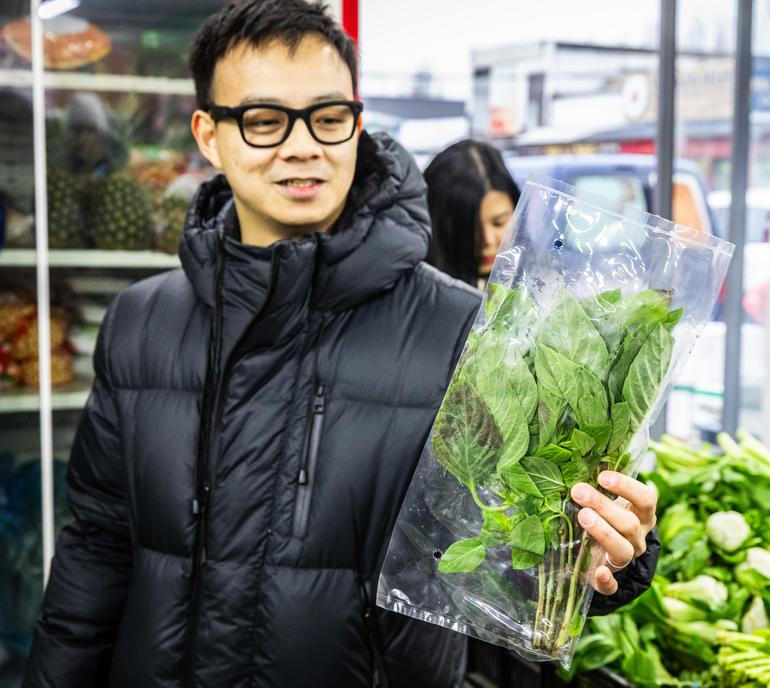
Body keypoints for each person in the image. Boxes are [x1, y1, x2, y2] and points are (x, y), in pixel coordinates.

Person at [23, 2, 659, 686]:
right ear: (208, 134)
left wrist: (606, 555)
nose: (303, 146)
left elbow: (517, 562)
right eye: (264, 120)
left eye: (328, 117)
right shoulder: (140, 324)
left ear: (357, 122)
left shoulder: (465, 333)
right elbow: (96, 557)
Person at [424, 139, 519, 288]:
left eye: (498, 223)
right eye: (470, 226)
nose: (487, 240)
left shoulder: (538, 284)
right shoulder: (419, 293)